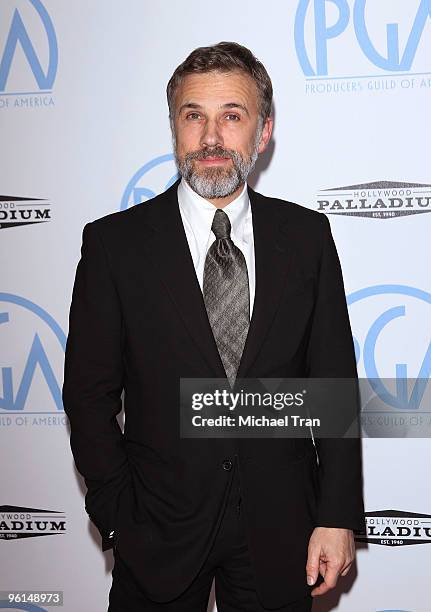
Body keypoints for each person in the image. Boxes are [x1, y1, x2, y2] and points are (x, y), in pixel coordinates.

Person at [62, 41, 365, 612]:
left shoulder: (307, 239)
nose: (211, 138)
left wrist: (336, 515)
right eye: (193, 116)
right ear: (174, 128)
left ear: (263, 132)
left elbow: (331, 386)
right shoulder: (114, 245)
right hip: (157, 529)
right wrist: (120, 516)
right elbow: (87, 396)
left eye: (232, 116)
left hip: (283, 529)